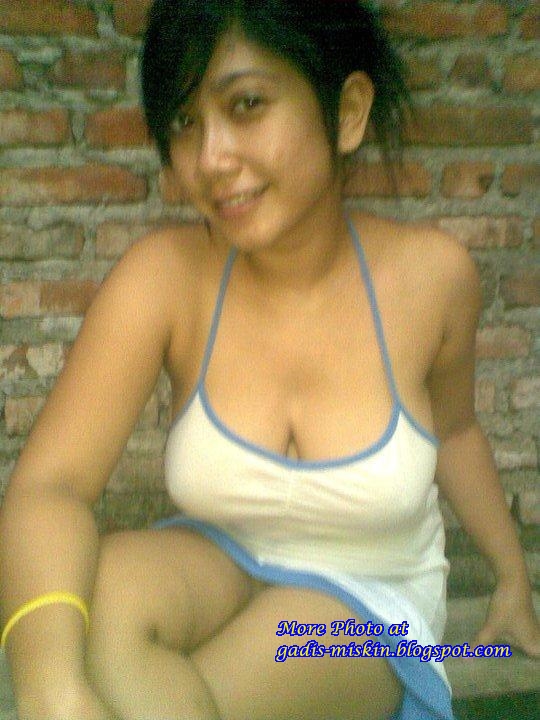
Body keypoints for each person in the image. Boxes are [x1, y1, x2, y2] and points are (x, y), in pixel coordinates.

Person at [0, 1, 538, 719]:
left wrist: (511, 577)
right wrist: (52, 692)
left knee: (217, 678)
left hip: (368, 608)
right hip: (218, 559)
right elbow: (52, 486)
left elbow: (458, 431)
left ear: (346, 112)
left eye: (247, 104)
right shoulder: (164, 278)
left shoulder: (431, 279)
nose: (210, 159)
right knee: (101, 592)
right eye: (185, 122)